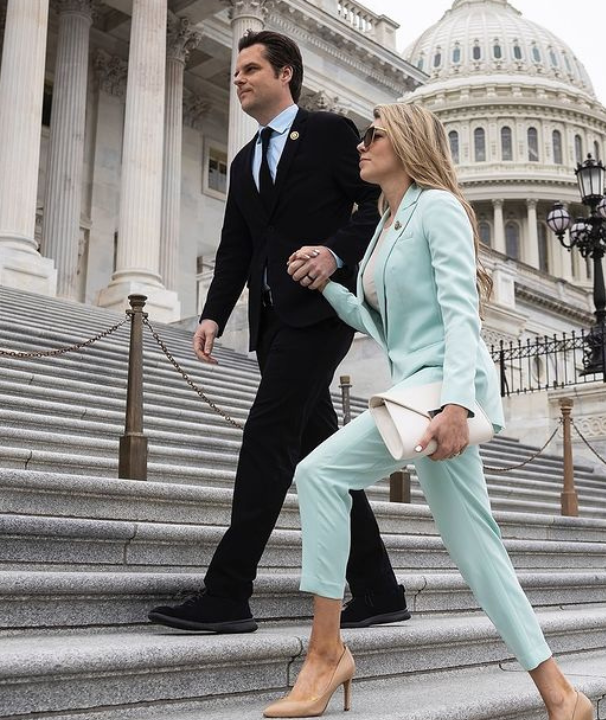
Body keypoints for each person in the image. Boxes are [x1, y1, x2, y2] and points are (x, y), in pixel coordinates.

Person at [264, 103, 593, 719]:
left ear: (407, 142)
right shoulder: (388, 223)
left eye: (374, 135)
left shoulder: (436, 207)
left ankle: (326, 653)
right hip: (416, 388)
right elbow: (383, 326)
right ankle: (564, 696)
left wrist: (456, 407)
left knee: (319, 473)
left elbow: (461, 313)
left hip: (439, 393)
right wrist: (328, 284)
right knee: (478, 548)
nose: (361, 145)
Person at [148, 31, 409, 634]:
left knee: (267, 435)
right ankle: (378, 588)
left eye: (251, 69)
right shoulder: (243, 161)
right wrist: (214, 312)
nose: (237, 78)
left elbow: (375, 205)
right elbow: (238, 244)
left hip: (319, 314)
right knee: (320, 451)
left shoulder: (327, 133)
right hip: (272, 324)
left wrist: (333, 255)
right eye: (237, 70)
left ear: (284, 73)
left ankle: (227, 591)